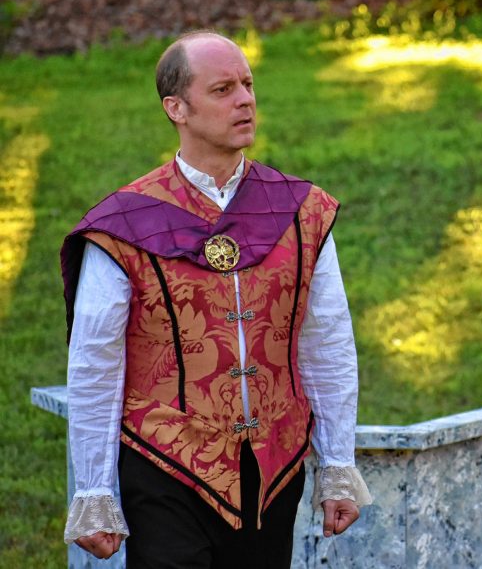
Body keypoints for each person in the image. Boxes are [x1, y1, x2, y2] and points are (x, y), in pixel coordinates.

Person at [59, 30, 372, 567]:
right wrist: (94, 490)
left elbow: (327, 340)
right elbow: (95, 361)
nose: (246, 99)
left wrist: (338, 465)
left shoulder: (302, 212)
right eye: (224, 88)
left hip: (274, 465)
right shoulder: (122, 225)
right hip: (164, 464)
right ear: (175, 107)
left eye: (248, 85)